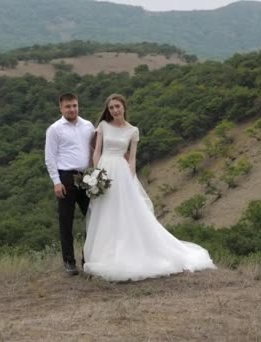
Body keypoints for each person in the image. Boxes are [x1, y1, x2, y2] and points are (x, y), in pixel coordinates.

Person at [83, 94, 216, 281]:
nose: (114, 110)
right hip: (104, 171)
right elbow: (97, 152)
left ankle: (129, 252)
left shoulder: (132, 131)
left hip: (121, 173)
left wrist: (130, 178)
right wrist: (96, 175)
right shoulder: (103, 126)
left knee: (125, 211)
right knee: (105, 212)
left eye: (117, 107)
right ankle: (105, 254)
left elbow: (132, 158)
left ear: (124, 107)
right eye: (111, 108)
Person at [45, 93, 95, 276]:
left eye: (74, 105)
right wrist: (56, 182)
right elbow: (49, 158)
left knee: (94, 218)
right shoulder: (55, 129)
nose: (72, 109)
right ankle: (69, 262)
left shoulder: (88, 126)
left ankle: (88, 258)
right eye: (68, 106)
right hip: (65, 177)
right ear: (61, 108)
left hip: (87, 177)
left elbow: (94, 150)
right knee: (66, 221)